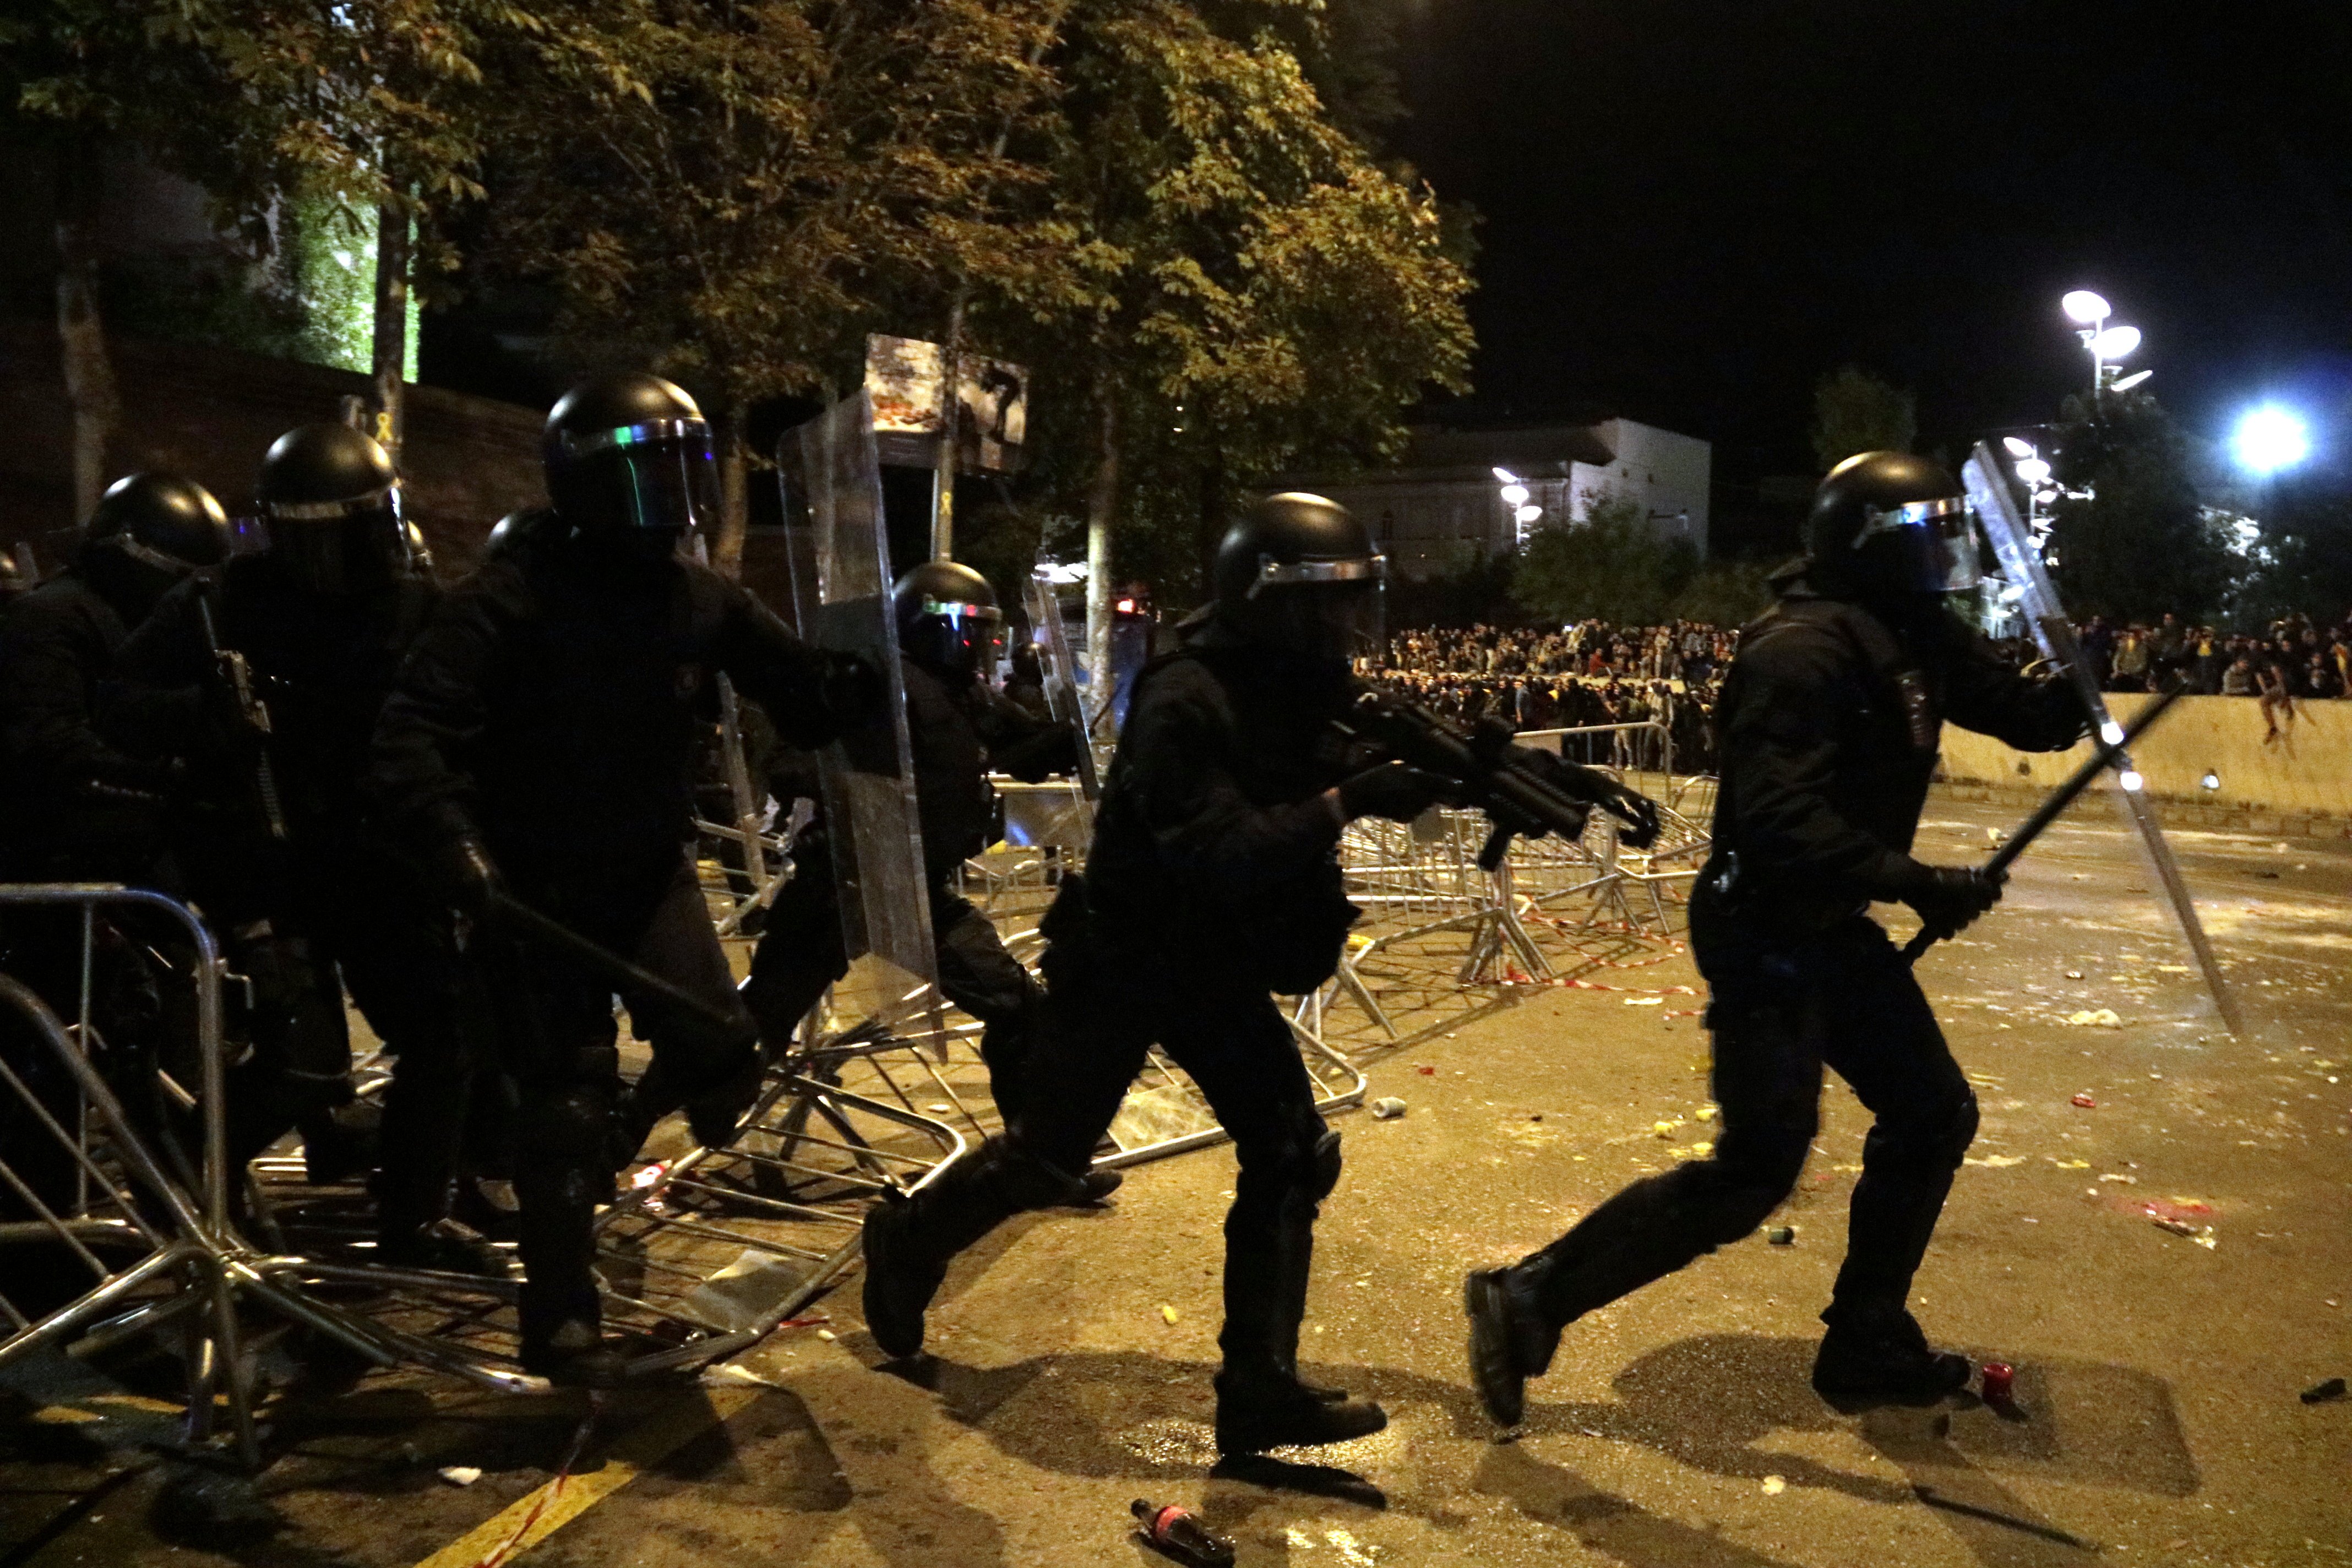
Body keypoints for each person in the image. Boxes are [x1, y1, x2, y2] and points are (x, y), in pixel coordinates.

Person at [1463, 451, 2089, 1424]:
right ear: (1870, 548)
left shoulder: (1909, 628)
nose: (1940, 558)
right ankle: (1531, 1292)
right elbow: (1776, 819)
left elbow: (2024, 712)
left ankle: (1865, 1335)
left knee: (1929, 1112)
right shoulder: (1799, 649)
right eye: (1922, 539)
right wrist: (1917, 882)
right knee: (1759, 1162)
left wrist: (2083, 686)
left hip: (1829, 919)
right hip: (1764, 922)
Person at [860, 493, 1450, 1457]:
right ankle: (909, 1240)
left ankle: (1257, 1389)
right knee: (1048, 1154)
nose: (1342, 626)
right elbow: (1221, 849)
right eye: (1325, 605)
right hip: (1125, 961)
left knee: (1292, 1150)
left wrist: (1470, 771)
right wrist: (1350, 797)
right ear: (1268, 599)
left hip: (1209, 962)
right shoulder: (1184, 695)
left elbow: (1332, 753)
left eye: (1352, 604)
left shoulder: (1291, 679)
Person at [372, 371, 882, 1383]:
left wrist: (855, 679)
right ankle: (559, 1305)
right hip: (534, 886)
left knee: (722, 1045)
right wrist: (456, 850)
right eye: (649, 477)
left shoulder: (699, 597)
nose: (673, 501)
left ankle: (613, 1139)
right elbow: (410, 738)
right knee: (559, 1092)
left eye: (683, 475)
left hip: (649, 875)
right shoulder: (507, 599)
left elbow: (796, 691)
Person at [660, 561, 1115, 1204]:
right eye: (966, 630)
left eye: (986, 632)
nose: (978, 645)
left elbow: (1018, 748)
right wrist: (836, 806)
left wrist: (1066, 740)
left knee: (1018, 1006)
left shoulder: (966, 693)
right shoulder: (879, 681)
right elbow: (796, 758)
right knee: (755, 1026)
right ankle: (633, 1131)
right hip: (839, 889)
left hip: (916, 888)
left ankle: (1037, 1160)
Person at [123, 424, 472, 1249]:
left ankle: (414, 1214)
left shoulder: (416, 606)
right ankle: (179, 1188)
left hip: (383, 868)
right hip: (272, 869)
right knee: (303, 1065)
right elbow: (121, 706)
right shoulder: (220, 605)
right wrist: (210, 719)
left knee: (445, 1039)